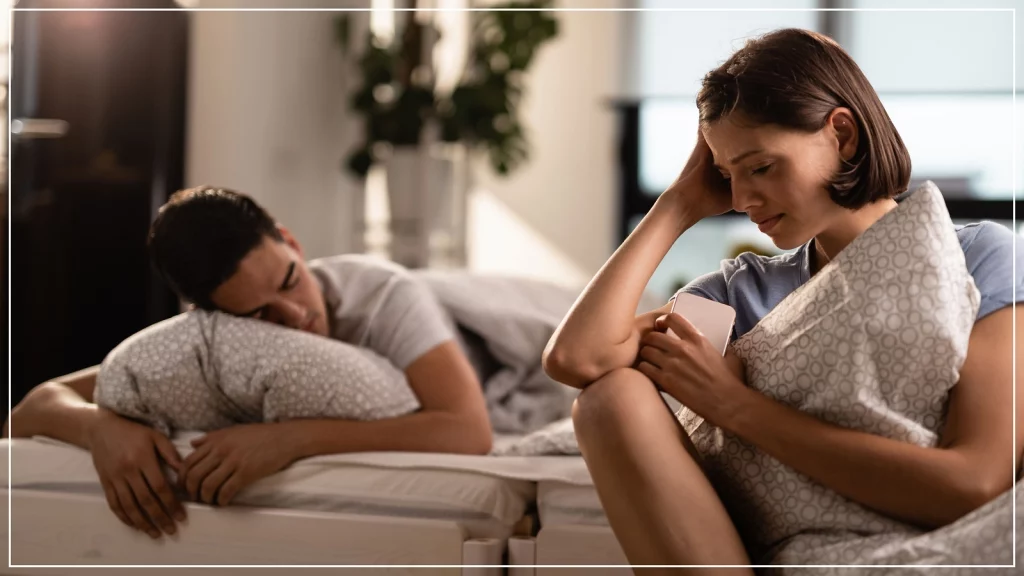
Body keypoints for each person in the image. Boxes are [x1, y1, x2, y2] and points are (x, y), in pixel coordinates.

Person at [544, 28, 1022, 572]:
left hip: (949, 540)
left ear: (842, 134)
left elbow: (976, 481)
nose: (742, 200)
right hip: (783, 551)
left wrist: (734, 406)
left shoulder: (982, 258)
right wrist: (677, 204)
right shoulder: (740, 294)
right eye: (725, 177)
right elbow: (579, 360)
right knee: (609, 399)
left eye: (761, 168)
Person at [6, 186, 494, 540]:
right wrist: (100, 429)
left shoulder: (385, 295)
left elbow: (469, 430)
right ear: (213, 319)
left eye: (289, 280)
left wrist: (290, 439)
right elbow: (28, 410)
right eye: (258, 314)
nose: (297, 316)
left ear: (292, 243)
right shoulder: (215, 343)